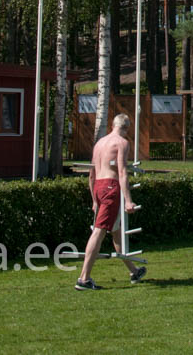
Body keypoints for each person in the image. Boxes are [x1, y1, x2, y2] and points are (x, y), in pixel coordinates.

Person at [76, 113, 146, 290]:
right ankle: (84, 278)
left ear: (113, 125)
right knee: (99, 231)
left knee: (116, 231)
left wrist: (94, 199)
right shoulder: (122, 143)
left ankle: (134, 271)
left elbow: (91, 174)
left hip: (99, 186)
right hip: (110, 187)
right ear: (127, 128)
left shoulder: (99, 143)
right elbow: (122, 172)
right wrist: (129, 200)